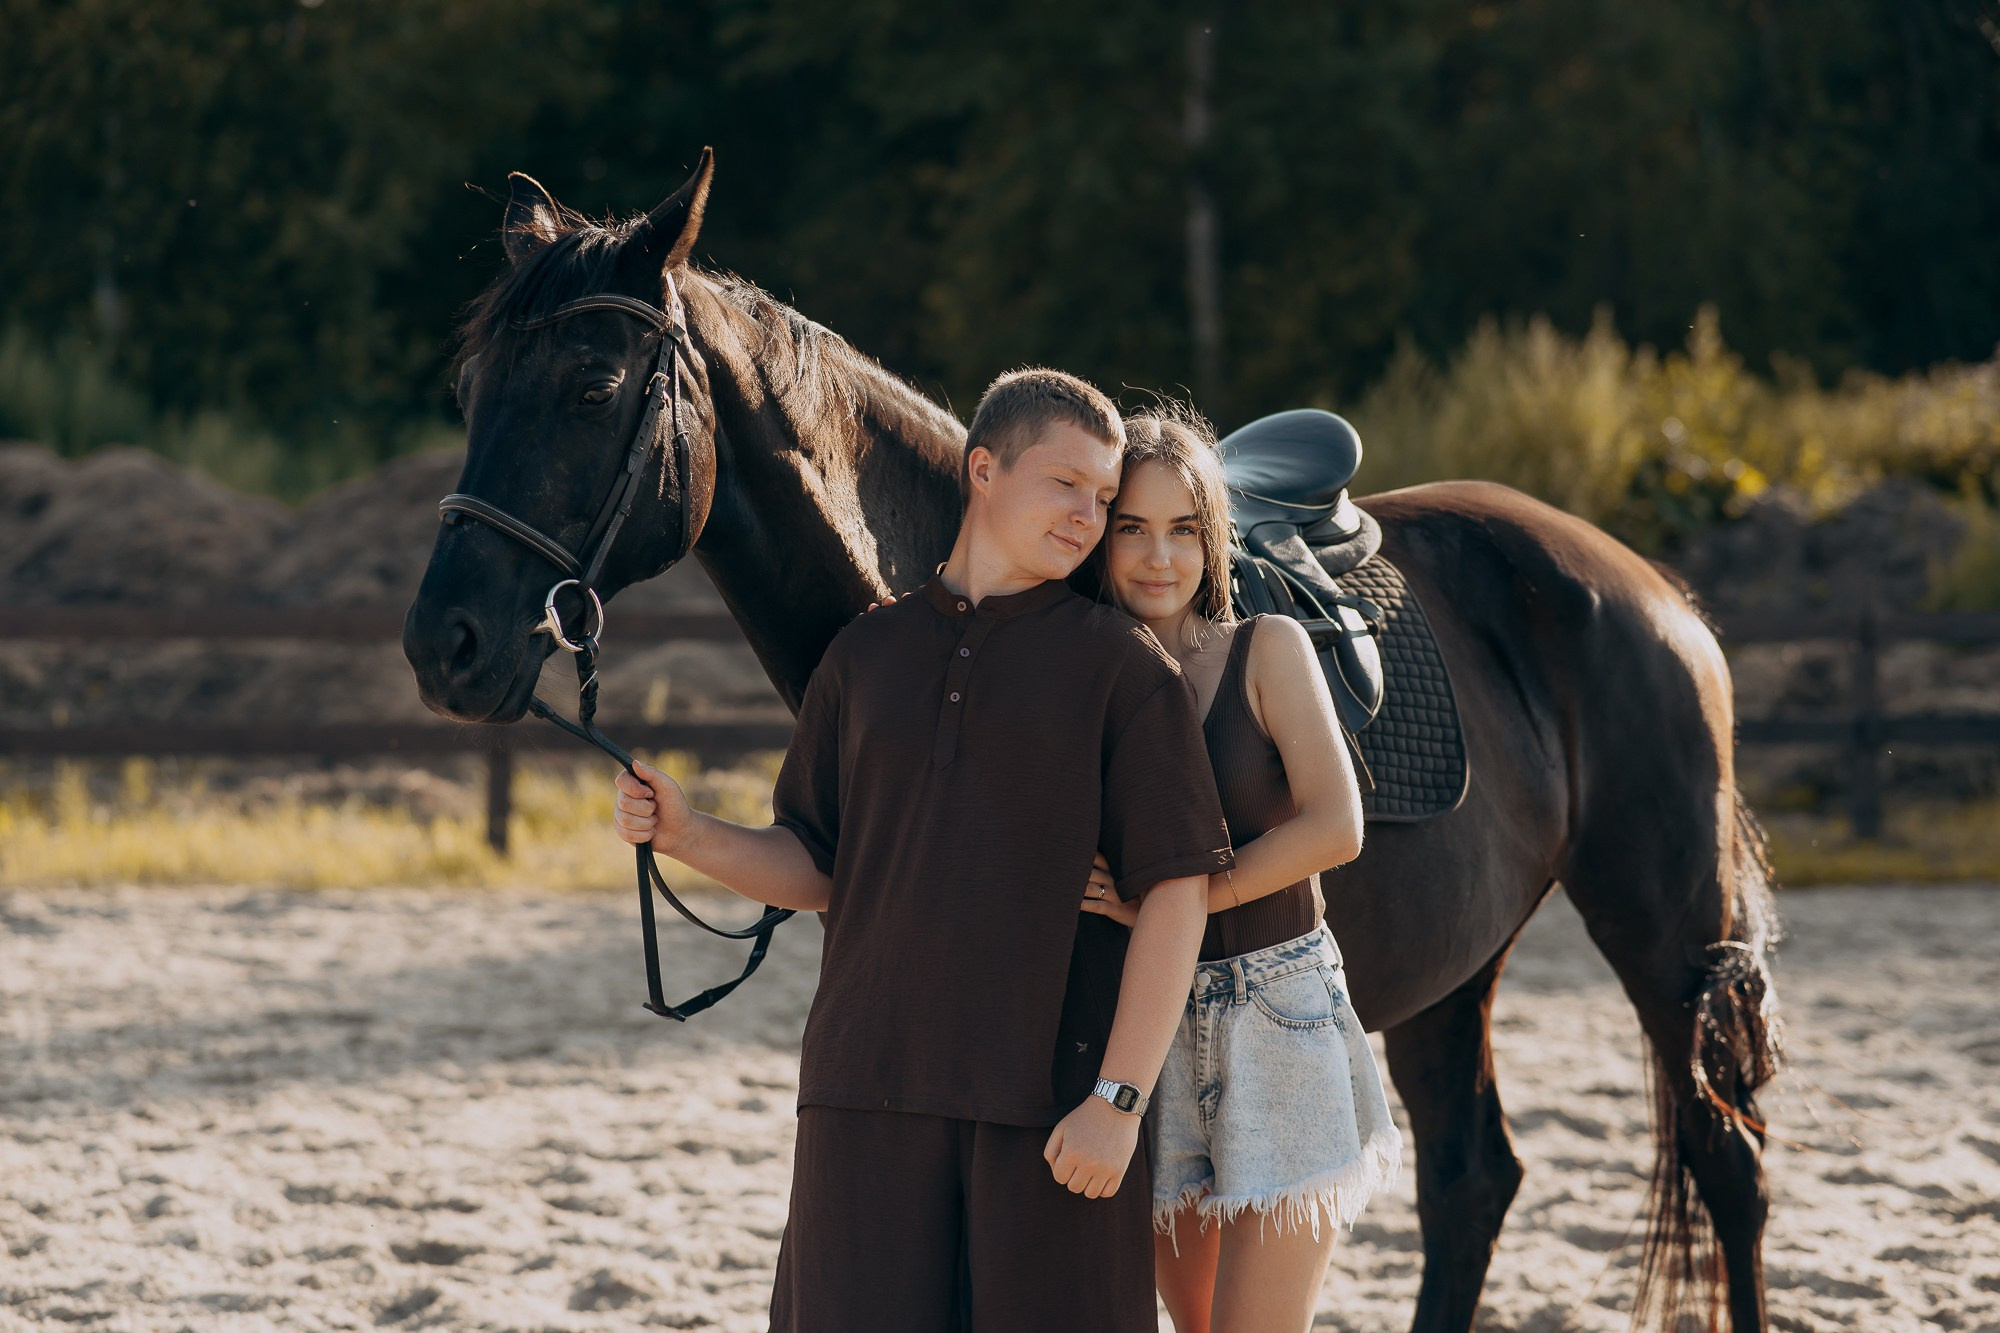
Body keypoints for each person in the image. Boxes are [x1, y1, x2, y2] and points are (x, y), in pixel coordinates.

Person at [611, 368, 1235, 1332]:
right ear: (984, 470)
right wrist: (688, 833)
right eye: (1066, 483)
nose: (1089, 515)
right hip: (861, 1094)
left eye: (1104, 495)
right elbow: (819, 864)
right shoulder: (864, 656)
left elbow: (1178, 892)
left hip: (1050, 1112)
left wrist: (1117, 1100)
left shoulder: (1122, 670)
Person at [1075, 406, 1402, 1333]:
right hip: (1152, 1026)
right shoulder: (1083, 677)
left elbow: (1336, 826)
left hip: (1279, 1016)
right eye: (1132, 529)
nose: (1159, 558)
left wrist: (1171, 907)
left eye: (1184, 530)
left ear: (1212, 539)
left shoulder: (1267, 648)